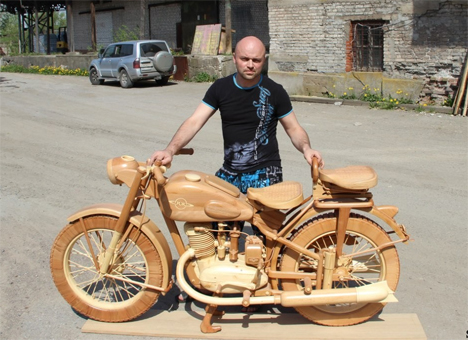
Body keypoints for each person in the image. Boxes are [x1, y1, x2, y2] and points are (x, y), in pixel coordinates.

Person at [148, 36, 323, 310]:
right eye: (245, 59)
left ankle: (266, 286)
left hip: (265, 172)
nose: (250, 65)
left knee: (266, 236)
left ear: (264, 60)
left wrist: (307, 148)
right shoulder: (220, 89)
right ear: (234, 58)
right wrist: (170, 150)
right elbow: (195, 120)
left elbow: (293, 128)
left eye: (256, 60)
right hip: (230, 171)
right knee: (216, 228)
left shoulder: (275, 91)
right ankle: (212, 282)